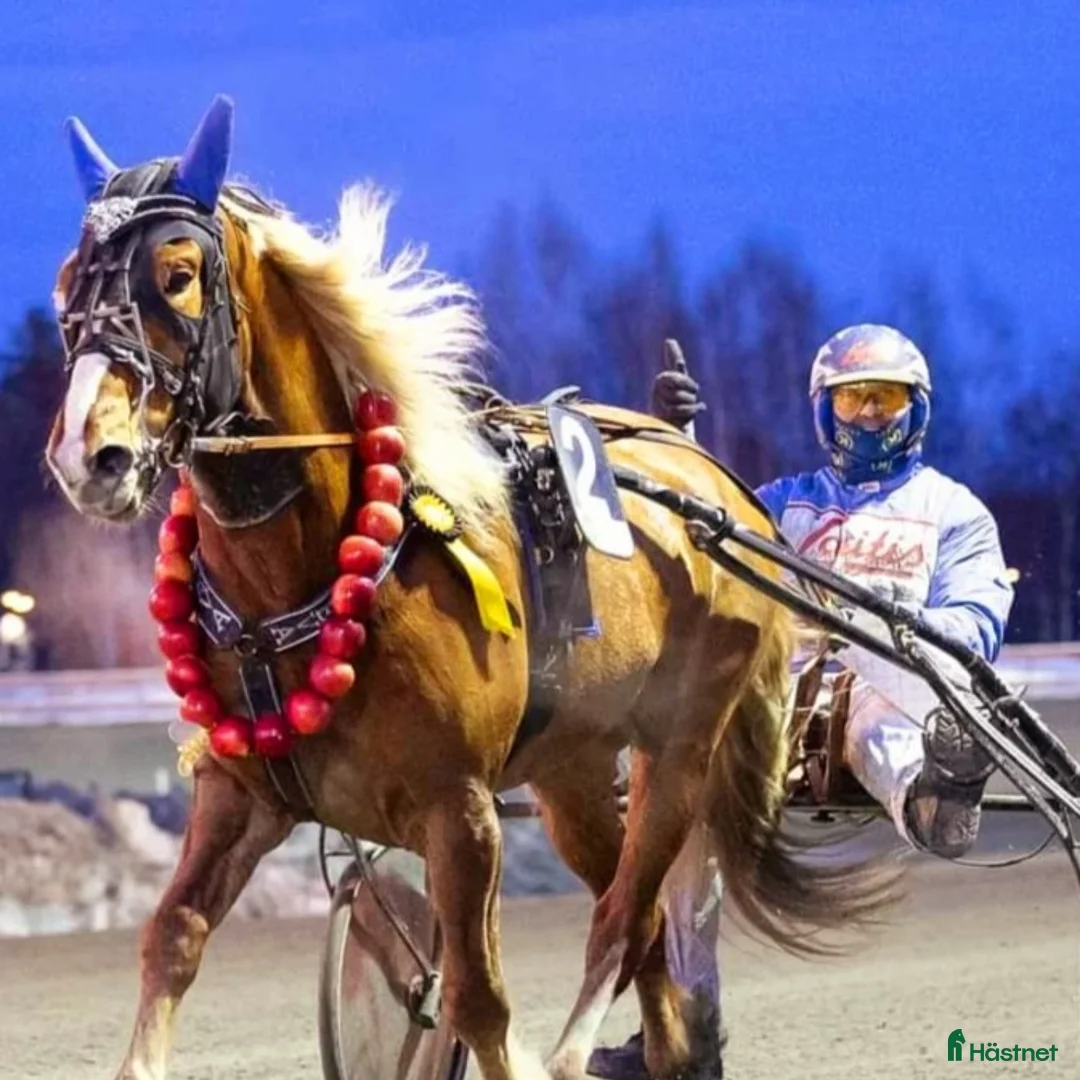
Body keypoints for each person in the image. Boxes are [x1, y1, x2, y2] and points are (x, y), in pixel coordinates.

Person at [588, 323, 1015, 1080]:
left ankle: (935, 798)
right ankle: (690, 1042)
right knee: (683, 812)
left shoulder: (955, 513)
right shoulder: (779, 506)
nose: (872, 417)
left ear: (917, 411)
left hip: (885, 691)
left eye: (886, 400)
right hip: (766, 710)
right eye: (855, 401)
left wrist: (885, 622)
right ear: (827, 411)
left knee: (877, 708)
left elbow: (975, 627)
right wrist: (676, 438)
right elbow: (699, 547)